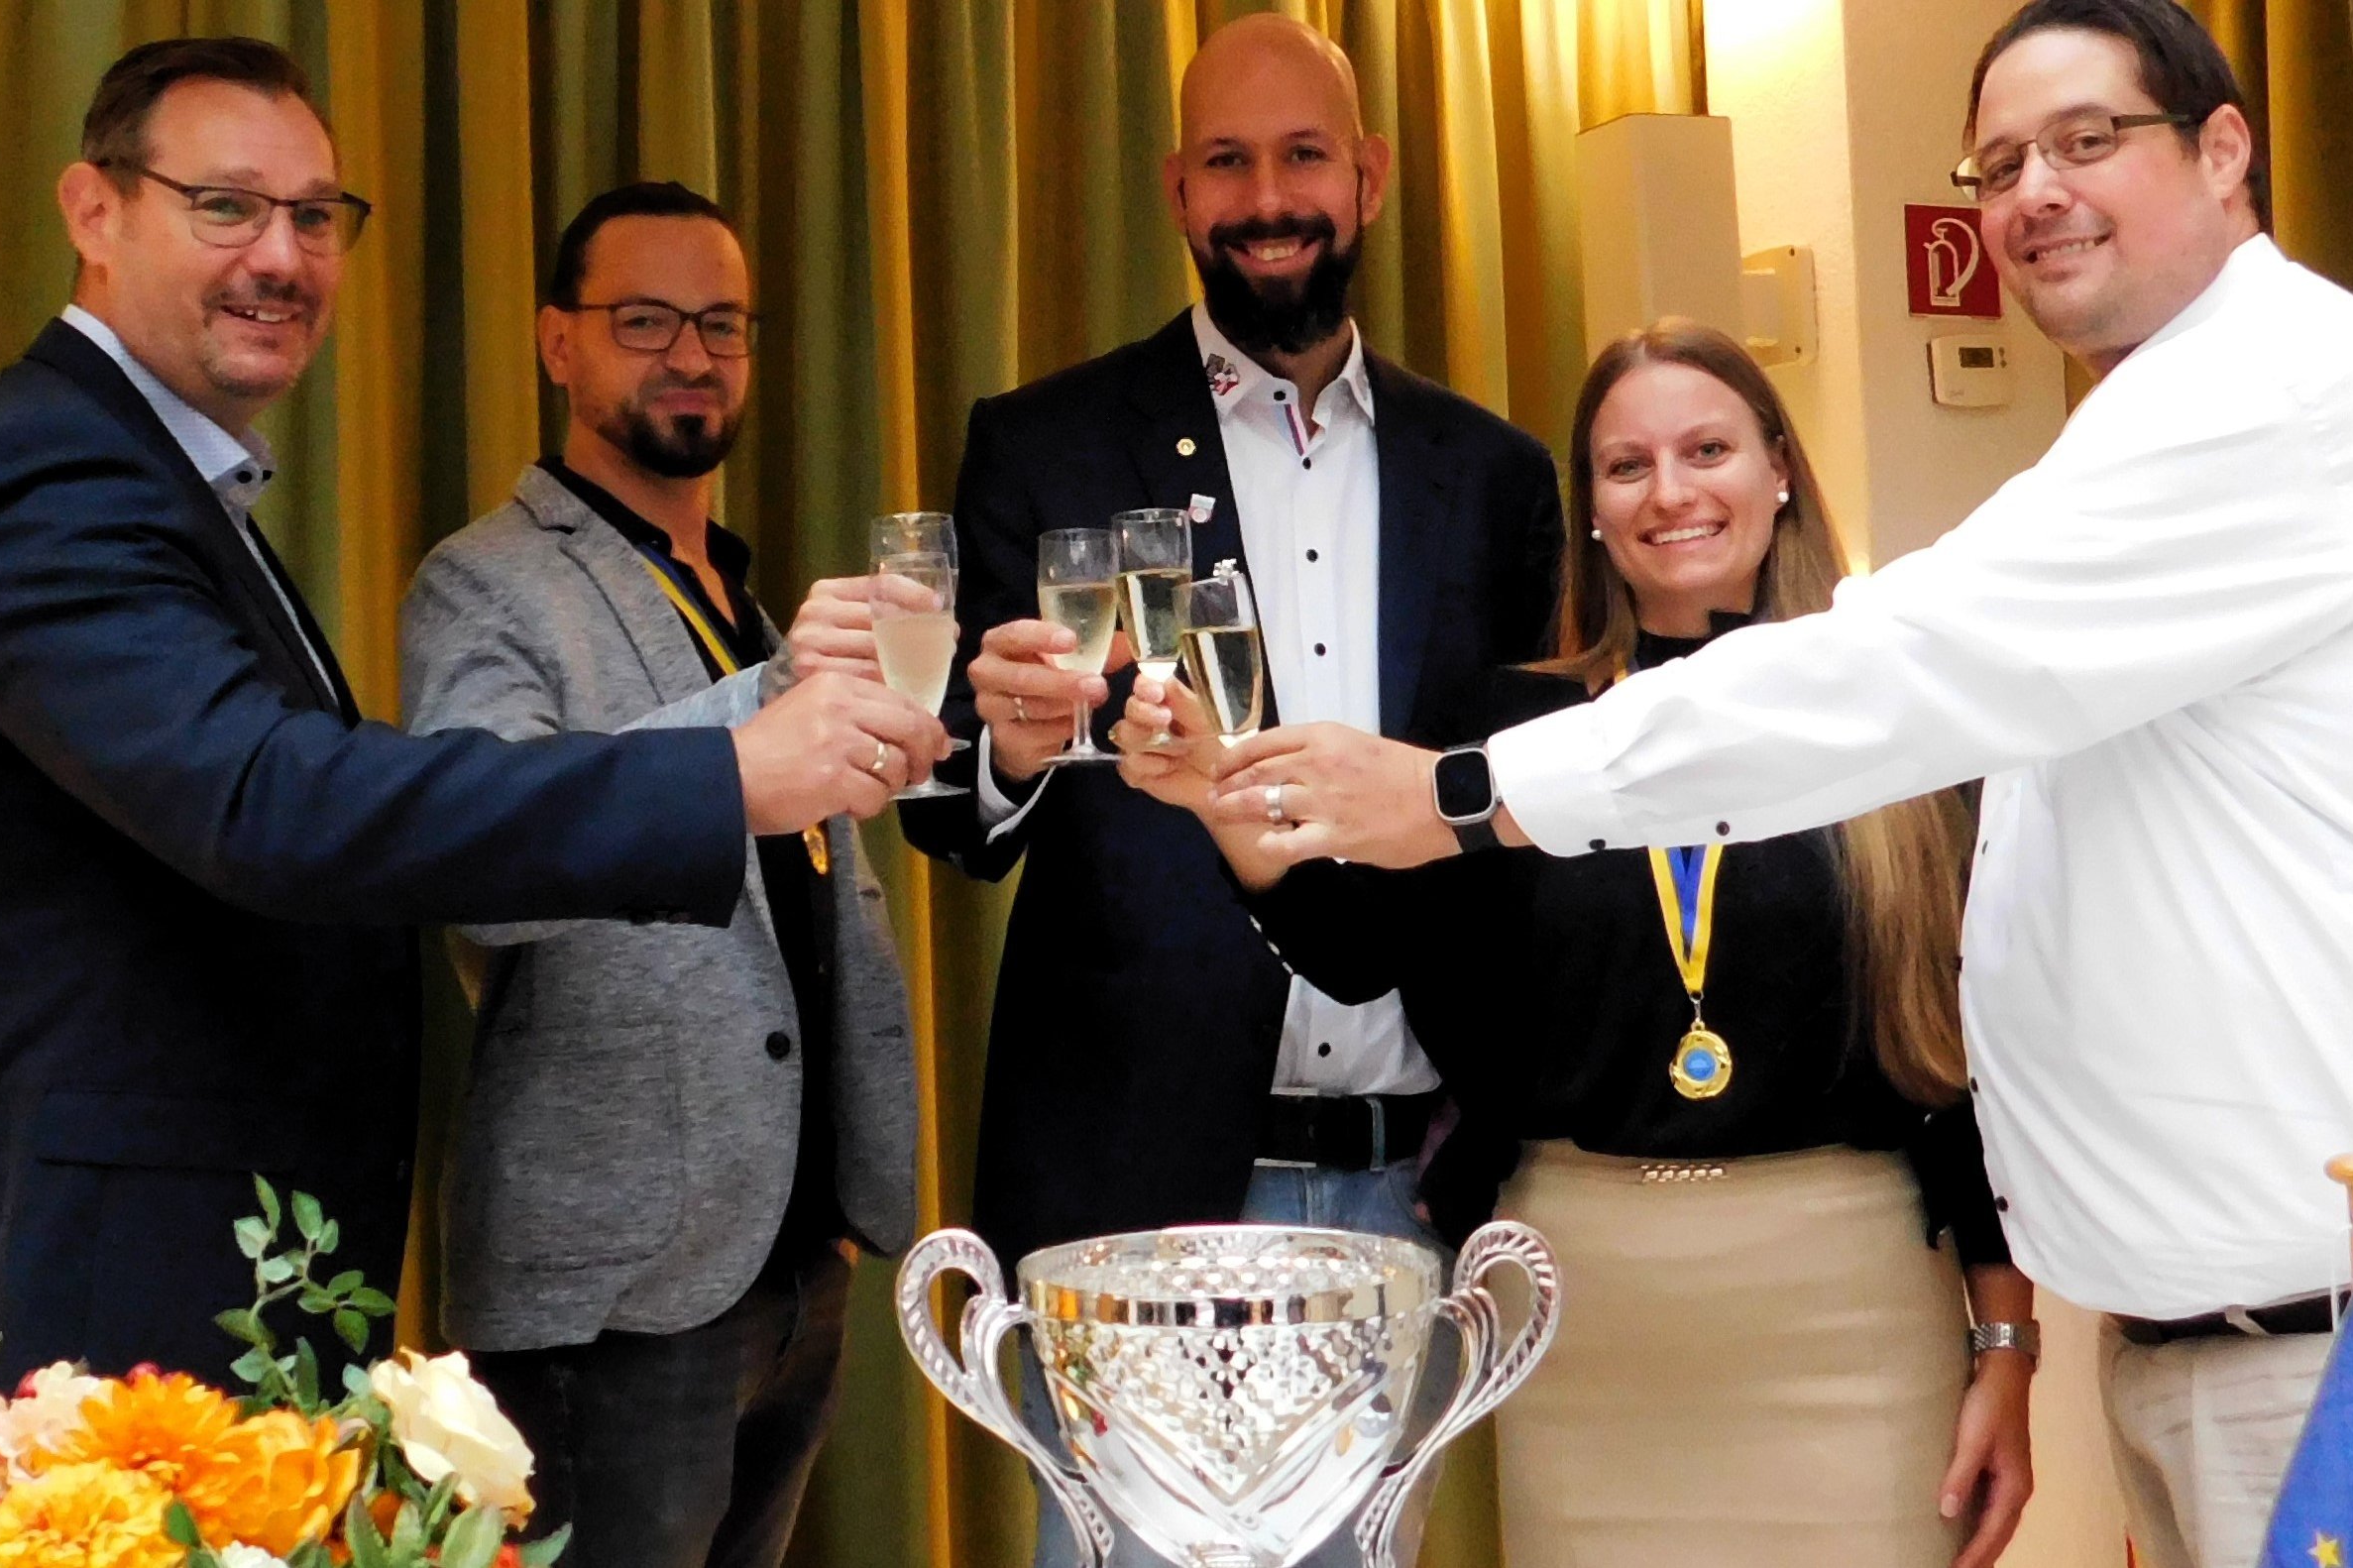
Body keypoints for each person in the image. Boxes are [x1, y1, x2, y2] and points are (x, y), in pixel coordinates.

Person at [1196, 2, 2353, 1563]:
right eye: (1998, 160)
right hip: (2262, 1342)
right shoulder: (2127, 439)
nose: (2031, 191)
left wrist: (1459, 792)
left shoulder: (2269, 400)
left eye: (2087, 140)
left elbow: (1891, 673)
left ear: (2226, 153)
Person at [0, 40, 945, 1400]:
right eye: (227, 206)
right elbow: (277, 804)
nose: (282, 259)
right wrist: (723, 776)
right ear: (93, 210)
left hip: (196, 1272)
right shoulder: (47, 476)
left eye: (315, 217)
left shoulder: (161, 481)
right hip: (82, 1284)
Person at [1123, 320, 2037, 1568]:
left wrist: (2005, 1348)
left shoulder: (1882, 715)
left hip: (1850, 1310)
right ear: (1590, 511)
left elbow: (1966, 1078)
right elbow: (1354, 948)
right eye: (1625, 465)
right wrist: (1216, 806)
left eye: (1705, 448)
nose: (1669, 492)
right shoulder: (1508, 733)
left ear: (1778, 468)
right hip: (1573, 1313)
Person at [894, 14, 1560, 1567]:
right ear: (1176, 193)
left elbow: (1508, 833)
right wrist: (997, 746)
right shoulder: (1046, 444)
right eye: (1227, 161)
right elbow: (949, 804)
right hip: (1139, 1194)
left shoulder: (1494, 477)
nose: (1269, 197)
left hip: (1410, 1188)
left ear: (1371, 177)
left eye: (1303, 155)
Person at [396, 180, 920, 1568]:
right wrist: (771, 702)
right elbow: (487, 858)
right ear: (556, 343)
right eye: (644, 320)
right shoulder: (486, 582)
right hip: (608, 1288)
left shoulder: (734, 588)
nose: (689, 355)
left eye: (720, 324)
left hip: (795, 1259)